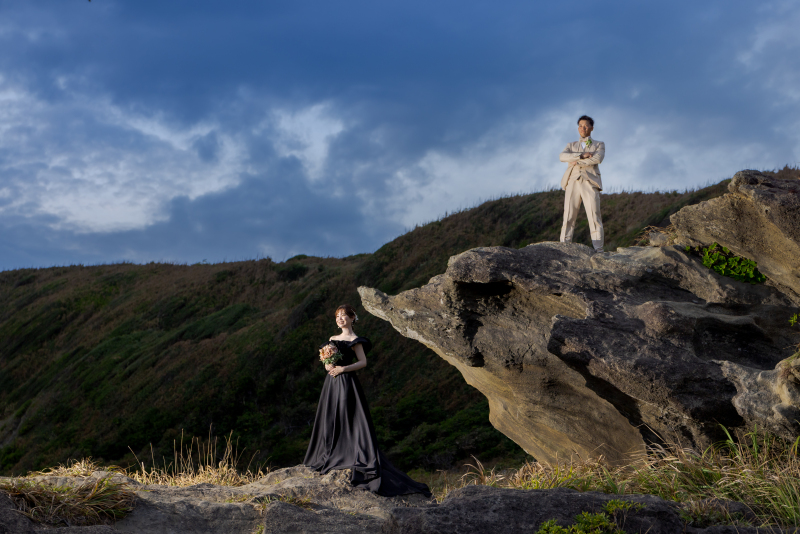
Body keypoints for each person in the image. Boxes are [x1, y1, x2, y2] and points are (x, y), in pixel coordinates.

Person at [303, 304, 432, 497]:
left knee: (349, 415)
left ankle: (349, 453)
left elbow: (363, 362)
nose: (340, 319)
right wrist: (328, 365)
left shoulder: (356, 340)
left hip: (347, 382)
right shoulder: (332, 339)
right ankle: (330, 451)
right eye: (337, 316)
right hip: (331, 383)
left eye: (344, 315)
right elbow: (327, 363)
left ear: (352, 318)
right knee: (331, 415)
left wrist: (343, 369)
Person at [559, 115, 605, 252]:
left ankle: (599, 250)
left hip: (590, 182)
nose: (582, 128)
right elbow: (562, 156)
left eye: (585, 126)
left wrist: (575, 161)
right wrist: (581, 155)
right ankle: (563, 247)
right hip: (572, 181)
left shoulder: (599, 144)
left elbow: (597, 159)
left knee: (594, 215)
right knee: (568, 216)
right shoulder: (571, 145)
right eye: (580, 126)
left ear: (591, 128)